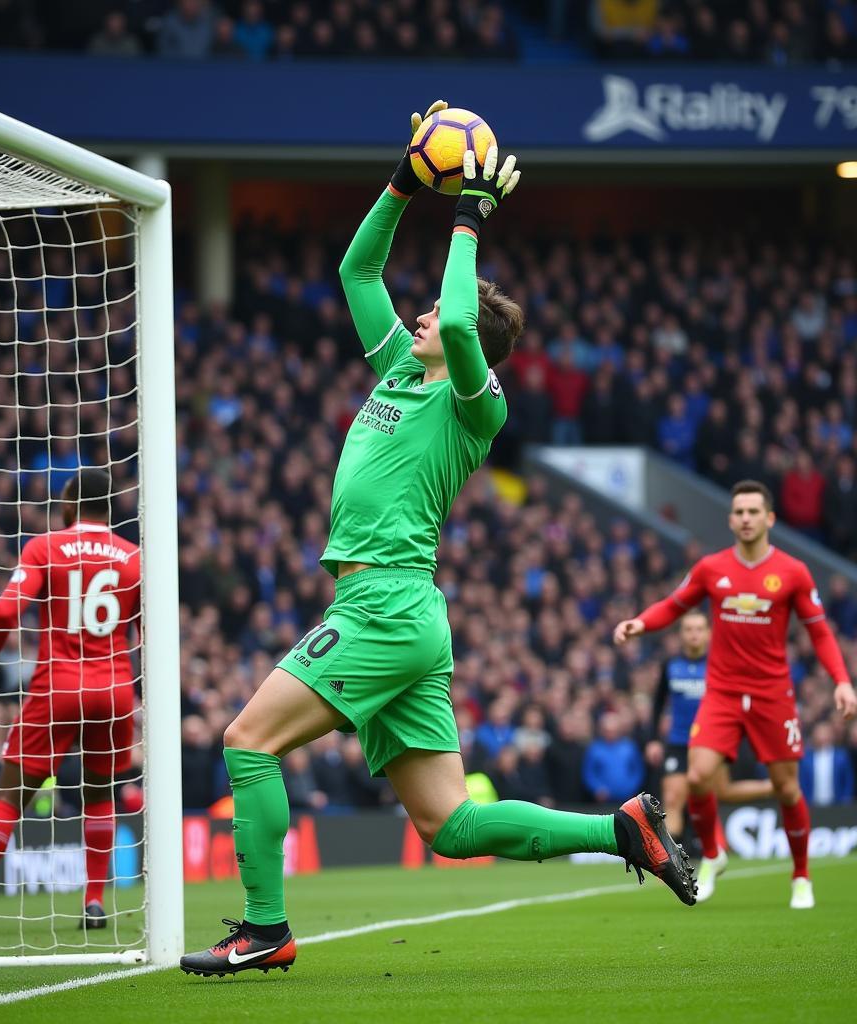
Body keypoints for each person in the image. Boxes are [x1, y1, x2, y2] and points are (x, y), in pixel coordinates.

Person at [180, 102, 695, 981]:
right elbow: (356, 266)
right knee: (450, 827)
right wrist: (406, 180)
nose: (417, 317)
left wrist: (469, 210)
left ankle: (264, 928)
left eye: (427, 315)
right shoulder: (395, 369)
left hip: (386, 601)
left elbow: (459, 324)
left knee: (246, 741)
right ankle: (623, 829)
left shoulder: (473, 401)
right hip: (398, 611)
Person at [615, 480, 857, 909]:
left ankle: (801, 876)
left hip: (772, 695)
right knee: (697, 777)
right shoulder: (712, 568)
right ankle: (714, 853)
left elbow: (819, 631)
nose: (745, 519)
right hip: (722, 692)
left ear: (769, 519)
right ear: (730, 520)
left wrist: (841, 680)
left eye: (753, 512)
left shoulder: (793, 572)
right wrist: (641, 623)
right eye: (739, 512)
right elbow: (674, 604)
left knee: (786, 789)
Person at [0, 468, 141, 935]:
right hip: (115, 690)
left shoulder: (45, 546)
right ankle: (92, 902)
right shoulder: (133, 557)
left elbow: (7, 611)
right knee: (99, 794)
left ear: (68, 506)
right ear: (108, 510)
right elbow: (146, 634)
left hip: (58, 688)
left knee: (10, 796)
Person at [645, 610, 773, 846]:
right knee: (673, 798)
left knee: (720, 793)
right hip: (678, 742)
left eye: (699, 629)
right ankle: (673, 862)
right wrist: (653, 739)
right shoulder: (670, 665)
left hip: (712, 742)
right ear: (681, 635)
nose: (693, 634)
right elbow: (658, 703)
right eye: (688, 629)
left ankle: (773, 787)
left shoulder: (721, 663)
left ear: (708, 634)